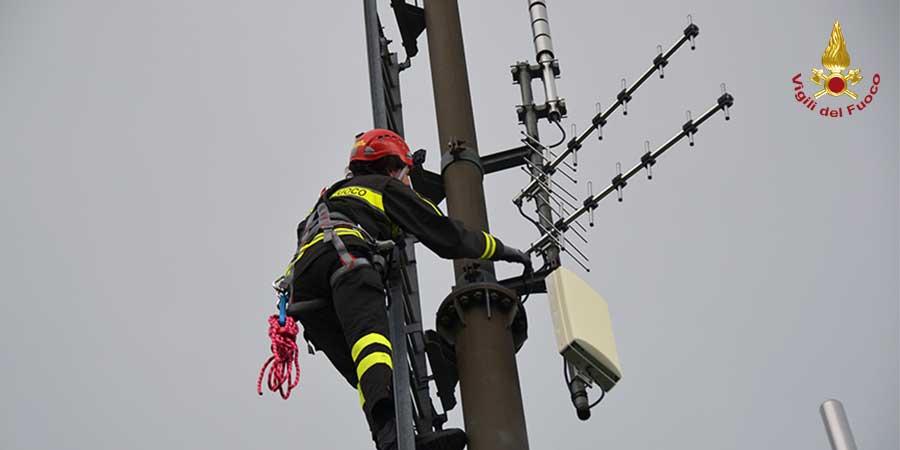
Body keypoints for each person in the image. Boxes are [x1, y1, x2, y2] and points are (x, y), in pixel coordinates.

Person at [279, 128, 532, 450]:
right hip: (347, 262)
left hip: (307, 294)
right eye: (408, 173)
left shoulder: (327, 201)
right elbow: (447, 236)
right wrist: (503, 250)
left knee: (367, 372)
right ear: (394, 167)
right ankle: (395, 439)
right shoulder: (385, 187)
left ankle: (393, 439)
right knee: (374, 344)